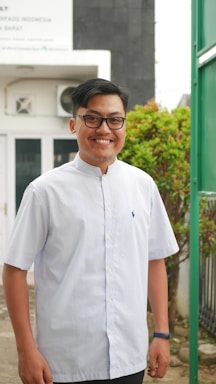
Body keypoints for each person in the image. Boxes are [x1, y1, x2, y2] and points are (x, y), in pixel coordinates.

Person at [3, 78, 179, 384]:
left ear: (125, 125)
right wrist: (26, 350)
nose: (104, 129)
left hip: (129, 357)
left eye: (114, 119)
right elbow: (15, 270)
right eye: (92, 118)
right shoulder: (44, 192)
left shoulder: (142, 186)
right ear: (74, 124)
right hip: (65, 361)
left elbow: (155, 260)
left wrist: (161, 333)